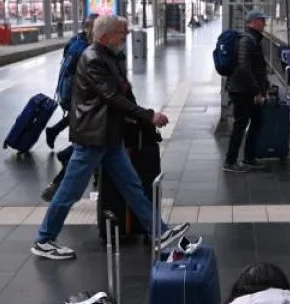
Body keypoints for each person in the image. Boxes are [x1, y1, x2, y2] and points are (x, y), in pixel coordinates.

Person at [33, 15, 189, 260]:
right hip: (93, 137)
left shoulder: (107, 55)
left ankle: (159, 231)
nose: (126, 36)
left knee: (132, 186)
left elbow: (121, 95)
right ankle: (44, 239)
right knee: (69, 192)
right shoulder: (94, 58)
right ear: (105, 36)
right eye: (121, 32)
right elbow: (112, 97)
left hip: (107, 136)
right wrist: (148, 116)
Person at [224, 10, 268, 173]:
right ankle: (230, 161)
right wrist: (256, 90)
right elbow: (244, 67)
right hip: (242, 90)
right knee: (240, 124)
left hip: (249, 89)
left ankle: (249, 158)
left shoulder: (254, 39)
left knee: (257, 121)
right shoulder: (246, 40)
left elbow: (257, 68)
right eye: (262, 20)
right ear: (253, 22)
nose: (264, 23)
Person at [45, 17, 95, 150]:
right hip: (73, 88)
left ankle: (54, 132)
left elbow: (65, 56)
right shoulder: (86, 48)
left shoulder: (76, 40)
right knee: (80, 116)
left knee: (76, 115)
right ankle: (70, 153)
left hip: (66, 85)